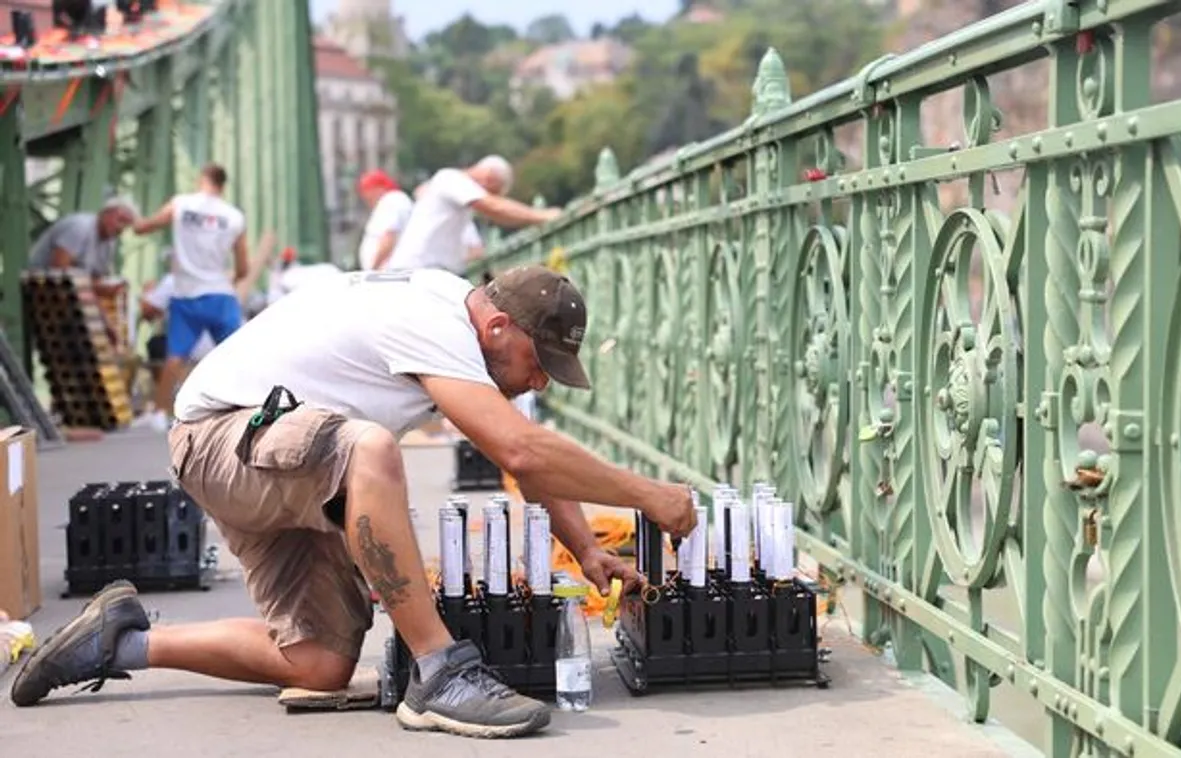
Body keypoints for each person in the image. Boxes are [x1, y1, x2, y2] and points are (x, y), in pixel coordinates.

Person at [9, 264, 697, 741]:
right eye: (538, 362)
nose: (537, 379)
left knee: (317, 664)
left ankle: (122, 641)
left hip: (284, 458)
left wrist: (584, 549)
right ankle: (440, 672)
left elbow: (517, 447)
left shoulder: (453, 306)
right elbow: (519, 449)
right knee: (370, 449)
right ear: (497, 330)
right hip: (225, 440)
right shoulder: (437, 327)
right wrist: (650, 496)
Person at [128, 163, 248, 432]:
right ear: (222, 185)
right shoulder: (234, 217)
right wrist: (229, 278)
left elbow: (144, 228)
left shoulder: (181, 205)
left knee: (174, 358)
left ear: (200, 181)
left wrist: (134, 220)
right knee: (237, 355)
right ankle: (249, 409)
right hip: (220, 294)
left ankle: (159, 413)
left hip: (186, 295)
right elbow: (243, 269)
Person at [384, 155, 560, 274]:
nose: (490, 195)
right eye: (493, 191)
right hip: (418, 271)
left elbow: (495, 213)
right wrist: (543, 216)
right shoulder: (450, 178)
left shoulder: (453, 188)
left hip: (422, 270)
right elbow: (494, 208)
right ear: (489, 177)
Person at [27, 196, 139, 297]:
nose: (121, 228)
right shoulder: (79, 227)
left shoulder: (110, 241)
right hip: (41, 287)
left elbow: (100, 277)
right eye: (120, 220)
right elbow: (58, 272)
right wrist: (97, 286)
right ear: (105, 213)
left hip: (69, 293)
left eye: (126, 225)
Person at [355, 169, 413, 271]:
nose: (367, 200)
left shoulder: (392, 200)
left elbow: (389, 236)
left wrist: (373, 268)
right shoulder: (394, 201)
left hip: (388, 274)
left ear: (377, 188)